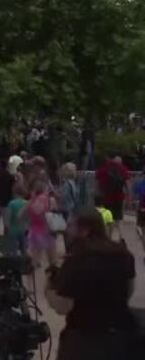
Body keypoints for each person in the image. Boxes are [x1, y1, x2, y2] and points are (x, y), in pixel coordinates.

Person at [46, 212, 142, 360]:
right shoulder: (124, 254)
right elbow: (129, 291)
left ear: (84, 229)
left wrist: (49, 287)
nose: (68, 230)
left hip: (83, 337)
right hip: (121, 335)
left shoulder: (75, 260)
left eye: (71, 226)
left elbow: (63, 306)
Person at [23, 179, 57, 269]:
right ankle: (52, 269)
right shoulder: (50, 200)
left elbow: (23, 214)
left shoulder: (31, 201)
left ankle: (36, 264)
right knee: (50, 253)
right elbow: (53, 213)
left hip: (34, 229)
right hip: (46, 229)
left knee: (35, 250)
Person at [95, 153, 130, 238]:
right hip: (119, 197)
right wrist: (129, 195)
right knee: (119, 218)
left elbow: (97, 184)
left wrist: (97, 196)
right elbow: (127, 183)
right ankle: (121, 236)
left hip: (105, 197)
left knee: (106, 218)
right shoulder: (123, 168)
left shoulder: (102, 168)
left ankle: (108, 236)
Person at [3, 183, 28, 256]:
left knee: (12, 250)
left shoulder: (11, 204)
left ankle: (14, 264)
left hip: (12, 229)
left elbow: (7, 218)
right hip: (23, 229)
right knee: (24, 249)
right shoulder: (26, 203)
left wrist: (7, 227)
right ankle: (24, 263)